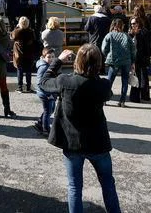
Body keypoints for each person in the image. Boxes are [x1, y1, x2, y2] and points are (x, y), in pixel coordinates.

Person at [40, 44, 121, 213]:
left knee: (75, 187)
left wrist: (58, 61)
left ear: (78, 62)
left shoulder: (65, 81)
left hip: (72, 143)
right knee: (108, 183)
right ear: (98, 64)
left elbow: (44, 82)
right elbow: (108, 93)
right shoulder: (103, 85)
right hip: (98, 143)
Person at [101, 18, 136, 107]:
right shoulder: (127, 36)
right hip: (126, 61)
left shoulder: (109, 35)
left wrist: (108, 55)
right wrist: (133, 61)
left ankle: (104, 100)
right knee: (124, 81)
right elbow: (133, 50)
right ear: (122, 26)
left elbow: (104, 48)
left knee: (109, 81)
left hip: (114, 61)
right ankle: (122, 101)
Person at [33, 47, 57, 136]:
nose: (51, 59)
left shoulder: (48, 65)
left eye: (53, 57)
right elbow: (40, 83)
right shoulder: (44, 67)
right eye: (49, 57)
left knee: (51, 110)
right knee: (48, 111)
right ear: (43, 57)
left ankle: (40, 123)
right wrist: (48, 94)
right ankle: (46, 129)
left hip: (48, 92)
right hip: (45, 93)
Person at [129, 16, 151, 102]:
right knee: (136, 76)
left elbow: (147, 46)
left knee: (142, 76)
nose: (132, 25)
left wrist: (147, 56)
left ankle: (143, 96)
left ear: (139, 23)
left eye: (134, 23)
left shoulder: (144, 32)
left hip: (142, 57)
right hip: (135, 57)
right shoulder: (131, 32)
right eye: (131, 24)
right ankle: (136, 97)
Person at [11, 16, 36, 93]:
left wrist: (16, 27)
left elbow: (12, 36)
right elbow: (34, 40)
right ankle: (28, 87)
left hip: (19, 55)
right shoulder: (31, 31)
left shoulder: (17, 31)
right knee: (28, 71)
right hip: (29, 54)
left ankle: (20, 87)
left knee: (19, 71)